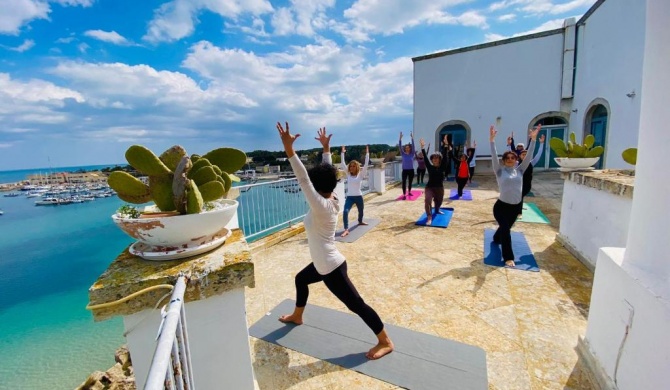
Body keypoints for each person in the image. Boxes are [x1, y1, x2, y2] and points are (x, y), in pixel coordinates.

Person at [275, 122, 394, 360]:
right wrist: (326, 150)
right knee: (301, 279)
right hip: (323, 263)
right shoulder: (332, 195)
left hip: (331, 268)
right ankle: (298, 316)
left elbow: (303, 180)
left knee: (356, 305)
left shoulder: (321, 206)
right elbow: (327, 173)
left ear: (317, 188)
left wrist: (289, 150)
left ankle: (385, 341)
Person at [490, 124, 540, 267]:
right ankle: (508, 257)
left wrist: (534, 140)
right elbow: (494, 156)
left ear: (516, 160)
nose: (511, 159)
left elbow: (529, 156)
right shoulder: (499, 171)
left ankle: (495, 236)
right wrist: (492, 140)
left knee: (504, 230)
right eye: (508, 158)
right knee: (506, 231)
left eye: (513, 157)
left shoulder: (520, 171)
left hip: (514, 208)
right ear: (504, 161)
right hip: (501, 207)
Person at [340, 145, 370, 237]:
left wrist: (367, 154)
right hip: (350, 197)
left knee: (361, 211)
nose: (352, 167)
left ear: (356, 167)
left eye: (353, 166)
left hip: (359, 197)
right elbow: (342, 163)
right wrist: (342, 153)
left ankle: (360, 221)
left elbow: (366, 165)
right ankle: (346, 229)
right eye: (351, 166)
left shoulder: (360, 175)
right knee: (345, 212)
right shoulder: (348, 174)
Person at [419, 138, 448, 225]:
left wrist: (446, 145)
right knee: (427, 200)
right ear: (431, 160)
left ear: (439, 159)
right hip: (430, 187)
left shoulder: (443, 166)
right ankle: (429, 216)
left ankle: (437, 209)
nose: (435, 159)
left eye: (437, 158)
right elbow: (425, 157)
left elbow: (445, 156)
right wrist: (423, 147)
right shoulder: (429, 166)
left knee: (439, 201)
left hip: (439, 187)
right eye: (433, 158)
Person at [398, 131, 416, 199]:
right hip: (405, 170)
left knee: (410, 182)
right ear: (405, 149)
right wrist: (400, 139)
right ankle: (404, 194)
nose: (407, 149)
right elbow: (400, 147)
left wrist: (412, 138)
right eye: (406, 148)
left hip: (411, 170)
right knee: (404, 182)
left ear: (410, 148)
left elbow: (413, 146)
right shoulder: (403, 154)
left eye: (408, 148)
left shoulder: (412, 154)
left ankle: (409, 192)